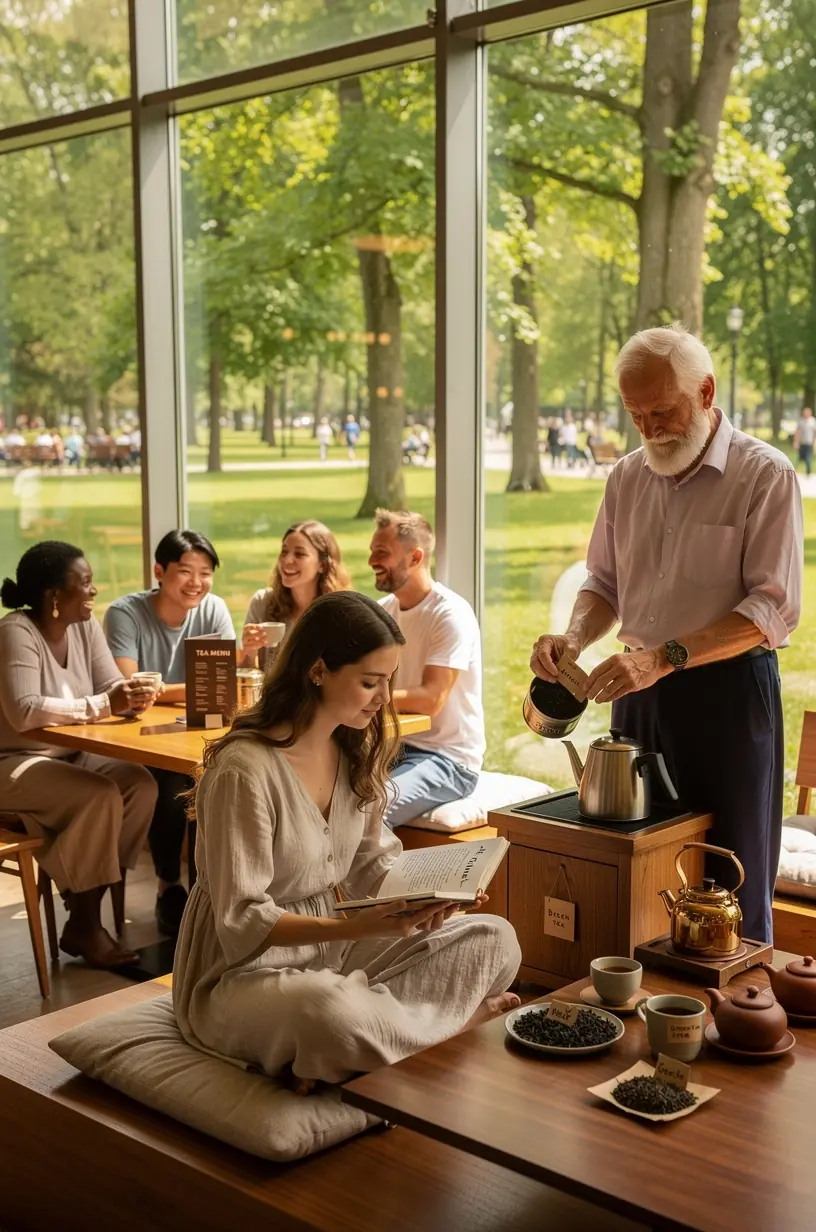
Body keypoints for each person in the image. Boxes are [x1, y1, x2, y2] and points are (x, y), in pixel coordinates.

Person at [173, 590, 520, 1090]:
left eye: (388, 682)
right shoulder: (244, 772)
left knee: (495, 940)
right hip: (239, 972)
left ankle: (380, 1037)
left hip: (331, 950)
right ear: (318, 670)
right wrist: (356, 928)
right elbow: (242, 921)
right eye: (369, 682)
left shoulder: (352, 753)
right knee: (328, 1012)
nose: (384, 699)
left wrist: (436, 899)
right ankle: (437, 1029)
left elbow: (375, 867)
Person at [531, 325, 803, 944]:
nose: (651, 429)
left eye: (663, 411)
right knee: (639, 861)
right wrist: (573, 638)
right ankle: (644, 1010)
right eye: (636, 415)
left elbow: (771, 610)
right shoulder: (626, 477)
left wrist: (665, 656)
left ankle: (737, 1009)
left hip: (729, 693)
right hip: (638, 691)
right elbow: (603, 583)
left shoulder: (765, 474)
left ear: (706, 392)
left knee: (729, 868)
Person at [0, 542, 158, 968]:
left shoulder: (84, 626)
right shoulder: (16, 631)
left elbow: (110, 687)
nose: (94, 591)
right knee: (99, 794)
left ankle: (84, 905)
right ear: (55, 596)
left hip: (69, 755)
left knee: (140, 784)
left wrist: (134, 697)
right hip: (11, 762)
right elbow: (24, 710)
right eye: (85, 584)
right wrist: (104, 704)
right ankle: (87, 924)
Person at [104, 529, 236, 935]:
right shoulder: (125, 613)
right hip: (140, 738)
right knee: (167, 783)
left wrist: (166, 688)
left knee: (212, 778)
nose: (196, 582)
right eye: (185, 571)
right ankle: (169, 886)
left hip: (198, 735)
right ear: (159, 571)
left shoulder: (212, 609)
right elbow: (133, 692)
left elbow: (223, 686)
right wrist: (185, 690)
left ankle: (205, 891)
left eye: (205, 572)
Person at [369, 510, 485, 830]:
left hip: (448, 760)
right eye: (371, 552)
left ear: (415, 556)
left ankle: (386, 881)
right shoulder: (382, 612)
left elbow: (430, 699)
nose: (371, 561)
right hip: (391, 747)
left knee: (372, 813)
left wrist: (362, 695)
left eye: (382, 553)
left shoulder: (450, 614)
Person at [241, 520, 351, 666]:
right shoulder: (262, 602)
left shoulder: (341, 613)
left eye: (299, 554)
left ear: (323, 565)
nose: (287, 560)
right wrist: (250, 653)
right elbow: (246, 675)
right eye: (284, 551)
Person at [794, 407, 815, 477]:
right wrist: (796, 442)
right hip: (802, 443)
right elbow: (797, 432)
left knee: (808, 458)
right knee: (799, 458)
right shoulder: (801, 421)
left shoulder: (813, 421)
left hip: (809, 443)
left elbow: (814, 432)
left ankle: (808, 473)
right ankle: (794, 471)